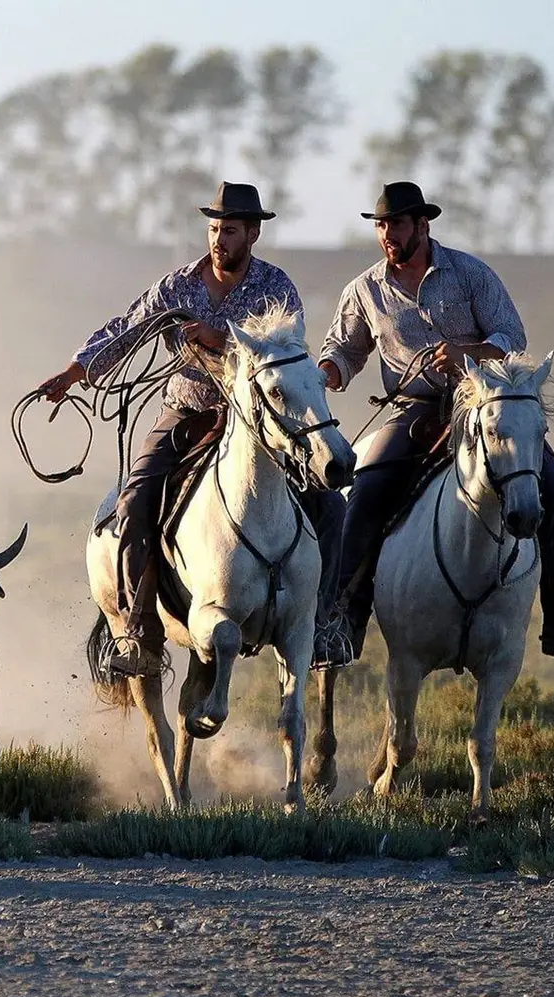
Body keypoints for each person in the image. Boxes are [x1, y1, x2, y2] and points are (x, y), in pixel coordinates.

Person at [36, 182, 341, 678]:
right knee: (134, 500)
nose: (220, 239)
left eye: (231, 231)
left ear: (253, 234)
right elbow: (127, 328)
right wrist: (75, 372)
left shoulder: (276, 288)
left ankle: (322, 622)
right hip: (187, 411)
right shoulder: (177, 286)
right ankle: (137, 629)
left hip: (261, 421)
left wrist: (217, 338)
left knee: (330, 503)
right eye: (215, 228)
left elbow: (286, 353)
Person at [318, 181, 554, 669]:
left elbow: (512, 336)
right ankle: (342, 621)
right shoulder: (365, 289)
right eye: (382, 225)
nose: (388, 234)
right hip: (414, 412)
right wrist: (322, 376)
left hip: (487, 407)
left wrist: (469, 353)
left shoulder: (470, 274)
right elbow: (343, 350)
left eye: (397, 224)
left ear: (423, 225)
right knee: (363, 494)